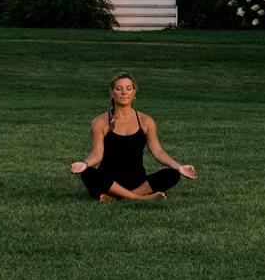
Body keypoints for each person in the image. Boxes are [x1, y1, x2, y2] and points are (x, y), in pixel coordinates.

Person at [69, 73, 197, 201]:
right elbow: (97, 153)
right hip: (109, 181)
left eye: (128, 88)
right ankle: (139, 198)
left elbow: (158, 151)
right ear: (111, 92)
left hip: (137, 181)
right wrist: (85, 164)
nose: (124, 92)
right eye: (119, 89)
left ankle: (118, 197)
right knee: (88, 173)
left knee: (173, 174)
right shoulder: (99, 122)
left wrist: (178, 166)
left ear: (134, 92)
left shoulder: (146, 121)